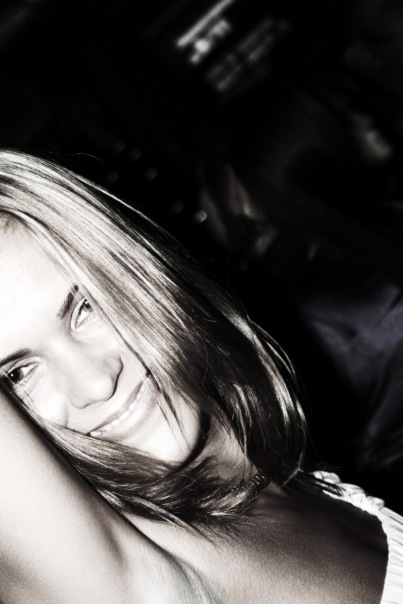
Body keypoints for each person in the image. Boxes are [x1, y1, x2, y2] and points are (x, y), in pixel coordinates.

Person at [0, 149, 399, 603]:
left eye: (86, 308)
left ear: (138, 275)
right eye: (18, 373)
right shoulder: (128, 574)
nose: (96, 383)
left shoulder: (265, 469)